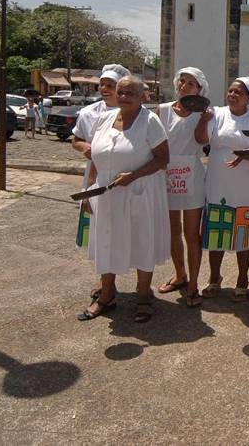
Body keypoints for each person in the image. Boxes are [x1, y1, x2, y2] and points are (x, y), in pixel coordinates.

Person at [77, 75, 170, 323]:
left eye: (130, 93)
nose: (124, 97)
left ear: (142, 97)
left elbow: (163, 159)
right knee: (106, 241)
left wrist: (134, 175)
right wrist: (88, 191)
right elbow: (97, 156)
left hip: (139, 192)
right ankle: (107, 296)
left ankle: (143, 297)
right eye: (121, 92)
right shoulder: (104, 119)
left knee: (141, 241)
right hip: (105, 195)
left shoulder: (150, 122)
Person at [195, 77, 249, 302]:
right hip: (217, 183)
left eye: (239, 92)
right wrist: (202, 121)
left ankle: (242, 279)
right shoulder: (216, 114)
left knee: (243, 234)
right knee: (217, 231)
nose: (233, 95)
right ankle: (214, 278)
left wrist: (243, 155)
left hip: (245, 185)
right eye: (231, 90)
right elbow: (201, 140)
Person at [71, 63, 129, 295]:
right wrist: (86, 146)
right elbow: (75, 140)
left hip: (124, 177)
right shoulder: (89, 113)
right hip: (96, 174)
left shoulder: (134, 112)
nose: (105, 89)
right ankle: (106, 280)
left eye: (111, 85)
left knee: (124, 229)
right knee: (99, 230)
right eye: (102, 85)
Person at [156, 67, 208, 307]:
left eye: (190, 84)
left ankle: (194, 284)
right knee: (172, 230)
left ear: (199, 90)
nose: (184, 86)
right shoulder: (164, 110)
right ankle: (180, 274)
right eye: (182, 81)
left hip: (192, 174)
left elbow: (201, 141)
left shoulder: (203, 113)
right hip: (167, 173)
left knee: (191, 234)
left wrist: (204, 120)